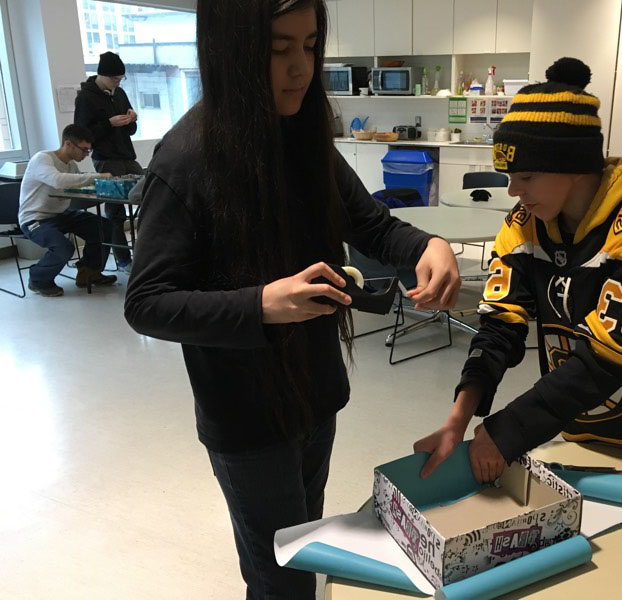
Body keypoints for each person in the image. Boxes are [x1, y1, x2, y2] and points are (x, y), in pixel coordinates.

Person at [123, 1, 460, 598]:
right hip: (246, 415)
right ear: (232, 50)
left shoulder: (301, 135)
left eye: (309, 46)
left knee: (306, 553)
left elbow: (373, 224)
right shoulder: (185, 159)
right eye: (279, 49)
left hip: (314, 393)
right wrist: (259, 304)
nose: (300, 68)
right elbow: (147, 302)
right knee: (280, 581)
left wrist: (429, 243)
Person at [415, 57, 622, 490]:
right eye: (508, 177)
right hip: (592, 419)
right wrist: (458, 418)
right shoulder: (524, 223)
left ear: (574, 166)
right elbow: (500, 326)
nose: (513, 192)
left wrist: (508, 432)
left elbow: (607, 357)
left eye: (526, 176)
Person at [18, 124, 116, 296]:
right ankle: (37, 280)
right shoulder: (42, 159)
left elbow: (78, 184)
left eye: (88, 151)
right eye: (84, 150)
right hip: (35, 219)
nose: (86, 155)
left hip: (61, 215)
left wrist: (109, 187)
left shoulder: (70, 166)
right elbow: (58, 181)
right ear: (68, 144)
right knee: (64, 247)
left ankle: (88, 272)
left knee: (103, 226)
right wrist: (97, 176)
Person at [74, 51, 142, 273]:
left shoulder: (119, 93)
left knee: (149, 194)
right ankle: (123, 260)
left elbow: (130, 130)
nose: (117, 82)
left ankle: (147, 255)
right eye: (114, 79)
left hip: (127, 155)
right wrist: (109, 123)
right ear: (102, 75)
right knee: (115, 212)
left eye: (121, 79)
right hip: (105, 158)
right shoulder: (86, 97)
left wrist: (132, 120)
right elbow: (83, 134)